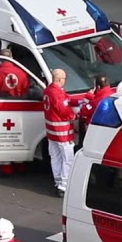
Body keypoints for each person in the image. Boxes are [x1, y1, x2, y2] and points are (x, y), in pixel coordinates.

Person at [43, 69, 78, 197]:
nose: (65, 81)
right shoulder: (56, 93)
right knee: (68, 158)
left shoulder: (48, 90)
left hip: (51, 131)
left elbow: (67, 100)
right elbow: (63, 110)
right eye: (64, 79)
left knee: (55, 156)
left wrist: (80, 100)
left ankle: (58, 181)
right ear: (59, 79)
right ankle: (64, 185)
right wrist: (75, 116)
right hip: (62, 132)